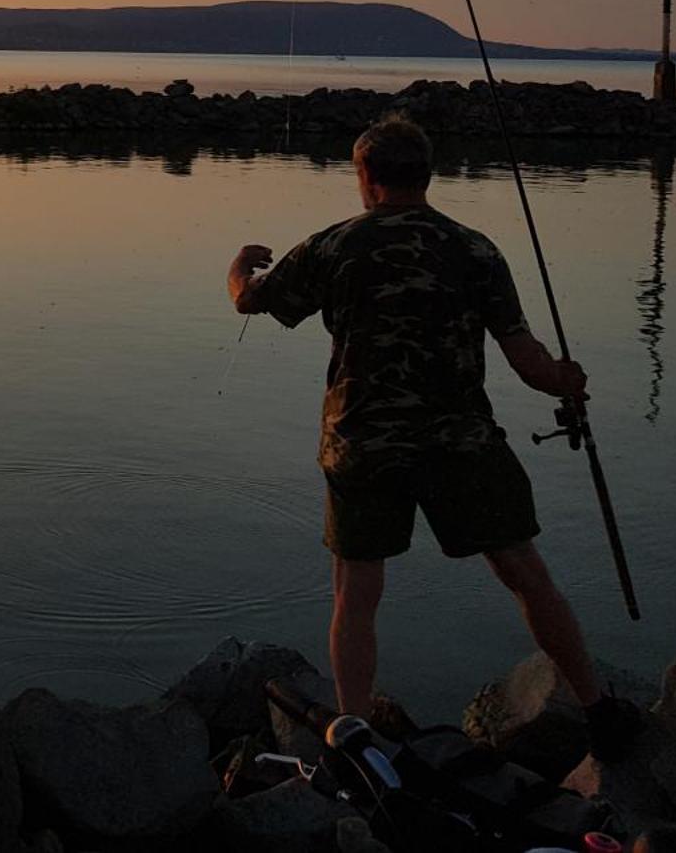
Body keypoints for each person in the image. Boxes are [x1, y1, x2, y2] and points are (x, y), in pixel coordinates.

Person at [227, 112, 643, 759]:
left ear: (365, 176)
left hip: (360, 443)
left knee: (356, 593)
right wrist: (567, 381)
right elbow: (528, 364)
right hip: (461, 442)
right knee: (527, 576)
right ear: (428, 174)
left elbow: (251, 302)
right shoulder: (475, 248)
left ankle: (354, 735)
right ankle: (597, 708)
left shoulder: (335, 245)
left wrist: (238, 269)